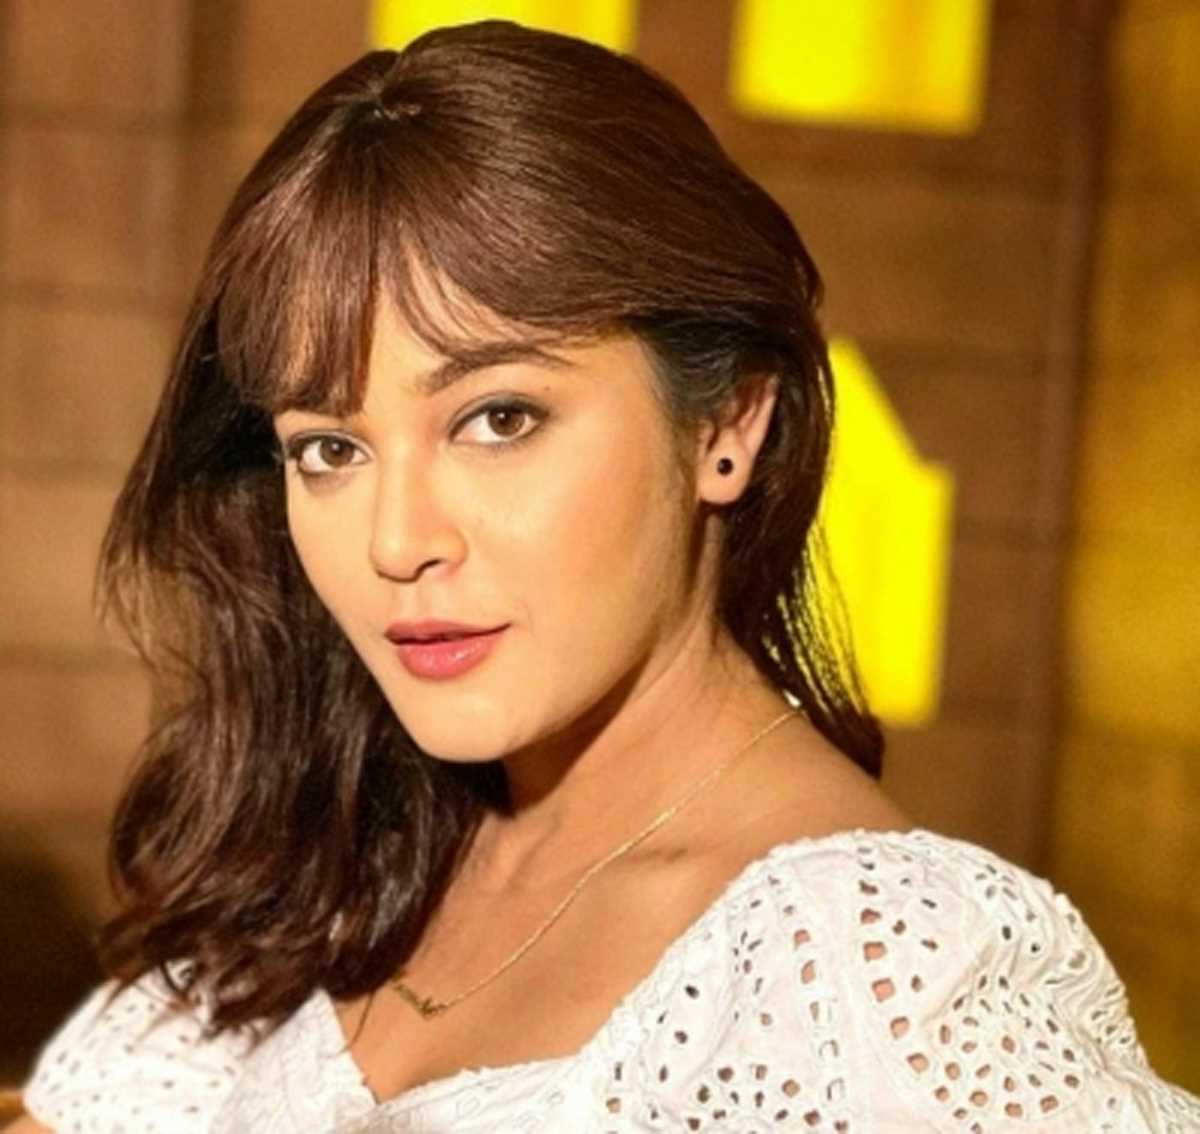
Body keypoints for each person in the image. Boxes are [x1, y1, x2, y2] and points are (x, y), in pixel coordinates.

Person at [10, 18, 1200, 1133]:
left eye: (499, 418)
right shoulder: (333, 844)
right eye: (330, 449)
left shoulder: (880, 981)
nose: (395, 540)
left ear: (728, 423)